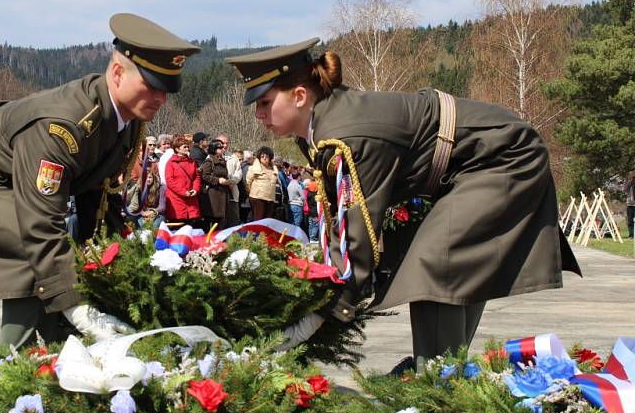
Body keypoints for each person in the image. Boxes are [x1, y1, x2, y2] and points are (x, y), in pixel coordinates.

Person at [226, 38, 581, 366]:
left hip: (501, 157)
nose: (258, 114)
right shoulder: (321, 130)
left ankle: (435, 387)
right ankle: (446, 374)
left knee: (431, 265)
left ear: (300, 96)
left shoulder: (347, 135)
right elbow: (342, 220)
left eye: (265, 102)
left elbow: (358, 233)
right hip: (466, 168)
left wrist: (327, 310)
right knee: (449, 269)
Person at [0, 13, 200, 351]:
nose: (160, 98)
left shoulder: (125, 122)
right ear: (117, 72)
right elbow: (40, 224)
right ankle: (11, 365)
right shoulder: (62, 126)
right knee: (30, 250)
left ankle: (58, 349)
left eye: (167, 90)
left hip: (6, 176)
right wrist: (77, 306)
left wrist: (111, 266)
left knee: (66, 260)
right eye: (151, 85)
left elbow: (100, 201)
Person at [164, 134, 203, 228]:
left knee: (191, 225)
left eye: (187, 146)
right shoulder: (171, 163)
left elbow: (196, 177)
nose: (187, 148)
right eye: (184, 146)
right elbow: (170, 181)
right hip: (176, 199)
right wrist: (183, 192)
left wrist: (195, 189)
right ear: (177, 149)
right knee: (179, 225)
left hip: (191, 198)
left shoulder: (191, 162)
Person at [199, 139, 230, 231]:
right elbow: (204, 175)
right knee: (210, 219)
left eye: (223, 146)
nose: (223, 148)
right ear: (214, 149)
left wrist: (227, 180)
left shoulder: (223, 161)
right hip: (212, 194)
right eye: (220, 147)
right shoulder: (209, 161)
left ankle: (217, 239)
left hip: (222, 192)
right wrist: (218, 180)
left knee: (220, 219)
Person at [246, 146, 279, 220]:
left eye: (266, 156)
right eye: (262, 156)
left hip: (270, 199)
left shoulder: (274, 169)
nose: (264, 158)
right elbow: (248, 182)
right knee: (258, 220)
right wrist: (252, 193)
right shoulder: (254, 168)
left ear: (270, 157)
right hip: (257, 198)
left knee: (268, 220)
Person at [216, 134, 243, 227]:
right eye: (222, 143)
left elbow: (238, 174)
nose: (225, 145)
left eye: (227, 143)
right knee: (220, 223)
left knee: (233, 221)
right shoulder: (210, 157)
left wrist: (231, 181)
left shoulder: (233, 157)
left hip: (232, 193)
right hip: (218, 194)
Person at [239, 150, 254, 222]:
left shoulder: (239, 166)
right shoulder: (250, 168)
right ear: (249, 159)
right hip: (248, 199)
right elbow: (248, 183)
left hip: (239, 198)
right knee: (248, 222)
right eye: (252, 158)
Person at [626, 170, 635, 239]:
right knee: (630, 221)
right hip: (630, 204)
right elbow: (625, 189)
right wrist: (630, 181)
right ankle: (631, 235)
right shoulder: (628, 183)